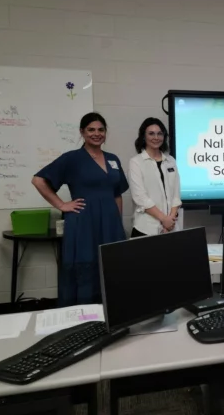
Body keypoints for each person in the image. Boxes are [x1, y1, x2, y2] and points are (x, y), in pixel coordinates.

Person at [32, 112, 129, 306]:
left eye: (101, 130)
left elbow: (117, 193)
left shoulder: (113, 159)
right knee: (85, 265)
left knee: (111, 266)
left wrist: (117, 222)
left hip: (110, 224)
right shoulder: (72, 158)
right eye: (91, 130)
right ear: (82, 132)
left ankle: (112, 314)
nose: (96, 133)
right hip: (83, 221)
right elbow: (38, 180)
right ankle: (81, 318)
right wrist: (61, 204)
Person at [128, 117, 181, 237]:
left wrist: (170, 219)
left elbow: (176, 195)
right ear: (143, 136)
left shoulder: (170, 160)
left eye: (159, 134)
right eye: (151, 134)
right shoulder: (136, 162)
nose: (156, 138)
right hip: (146, 228)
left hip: (171, 227)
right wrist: (163, 219)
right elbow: (140, 197)